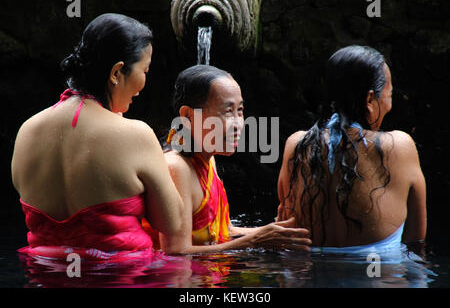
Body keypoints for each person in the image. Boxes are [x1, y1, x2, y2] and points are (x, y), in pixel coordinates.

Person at [11, 13, 183, 260]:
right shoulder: (135, 135)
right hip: (122, 278)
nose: (145, 83)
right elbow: (172, 222)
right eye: (145, 70)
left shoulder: (27, 130)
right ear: (116, 73)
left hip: (45, 275)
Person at [148, 65, 311, 254]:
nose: (238, 124)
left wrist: (280, 231)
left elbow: (222, 232)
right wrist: (256, 240)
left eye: (239, 110)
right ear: (188, 116)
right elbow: (176, 251)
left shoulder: (208, 160)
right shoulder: (177, 168)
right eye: (227, 112)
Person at [277, 45, 426, 251]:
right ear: (369, 99)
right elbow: (416, 240)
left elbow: (283, 222)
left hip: (305, 278)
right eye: (389, 96)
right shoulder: (400, 146)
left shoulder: (296, 145)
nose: (390, 105)